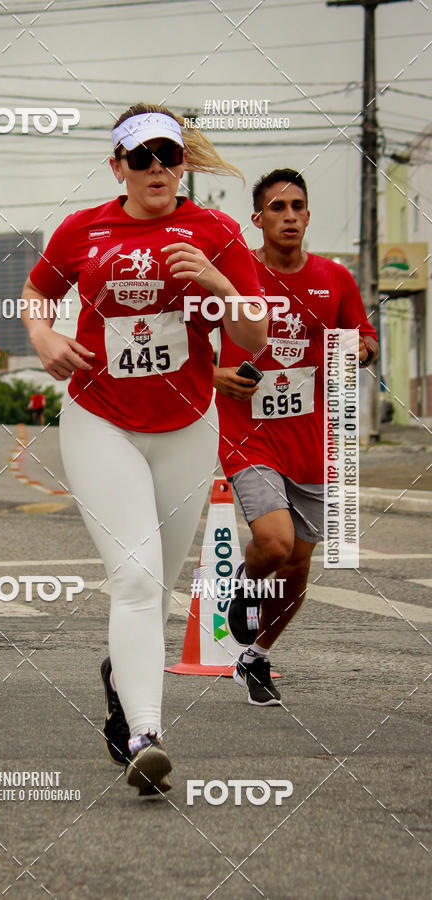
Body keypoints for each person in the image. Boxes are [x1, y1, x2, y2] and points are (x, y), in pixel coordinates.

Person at [21, 103, 266, 795]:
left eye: (167, 153)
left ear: (182, 161)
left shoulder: (215, 230)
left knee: (154, 587)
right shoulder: (83, 229)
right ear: (117, 167)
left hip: (188, 426)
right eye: (140, 155)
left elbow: (252, 339)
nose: (155, 166)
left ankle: (119, 682)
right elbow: (36, 296)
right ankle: (146, 736)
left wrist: (219, 285)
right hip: (102, 421)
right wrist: (42, 339)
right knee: (134, 578)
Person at [215, 168, 378, 706]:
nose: (289, 216)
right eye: (277, 208)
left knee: (298, 565)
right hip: (249, 433)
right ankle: (241, 583)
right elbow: (188, 340)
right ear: (257, 219)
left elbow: (364, 334)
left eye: (298, 207)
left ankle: (255, 656)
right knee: (276, 542)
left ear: (308, 215)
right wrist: (216, 377)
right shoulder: (234, 276)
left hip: (312, 439)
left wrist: (360, 349)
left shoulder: (335, 279)